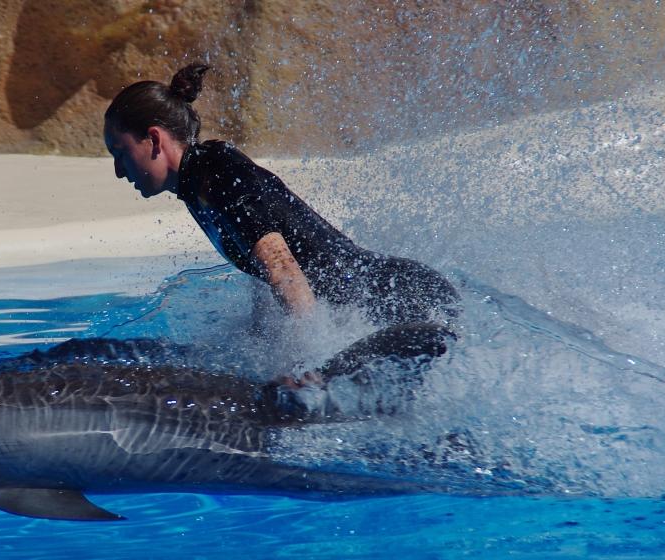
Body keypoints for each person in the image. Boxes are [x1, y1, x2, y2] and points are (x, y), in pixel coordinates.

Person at [103, 62, 458, 366]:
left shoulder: (216, 173)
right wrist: (258, 343)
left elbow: (281, 266)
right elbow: (264, 273)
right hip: (384, 309)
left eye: (120, 152)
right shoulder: (197, 184)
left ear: (154, 139)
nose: (120, 172)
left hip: (405, 306)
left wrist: (306, 362)